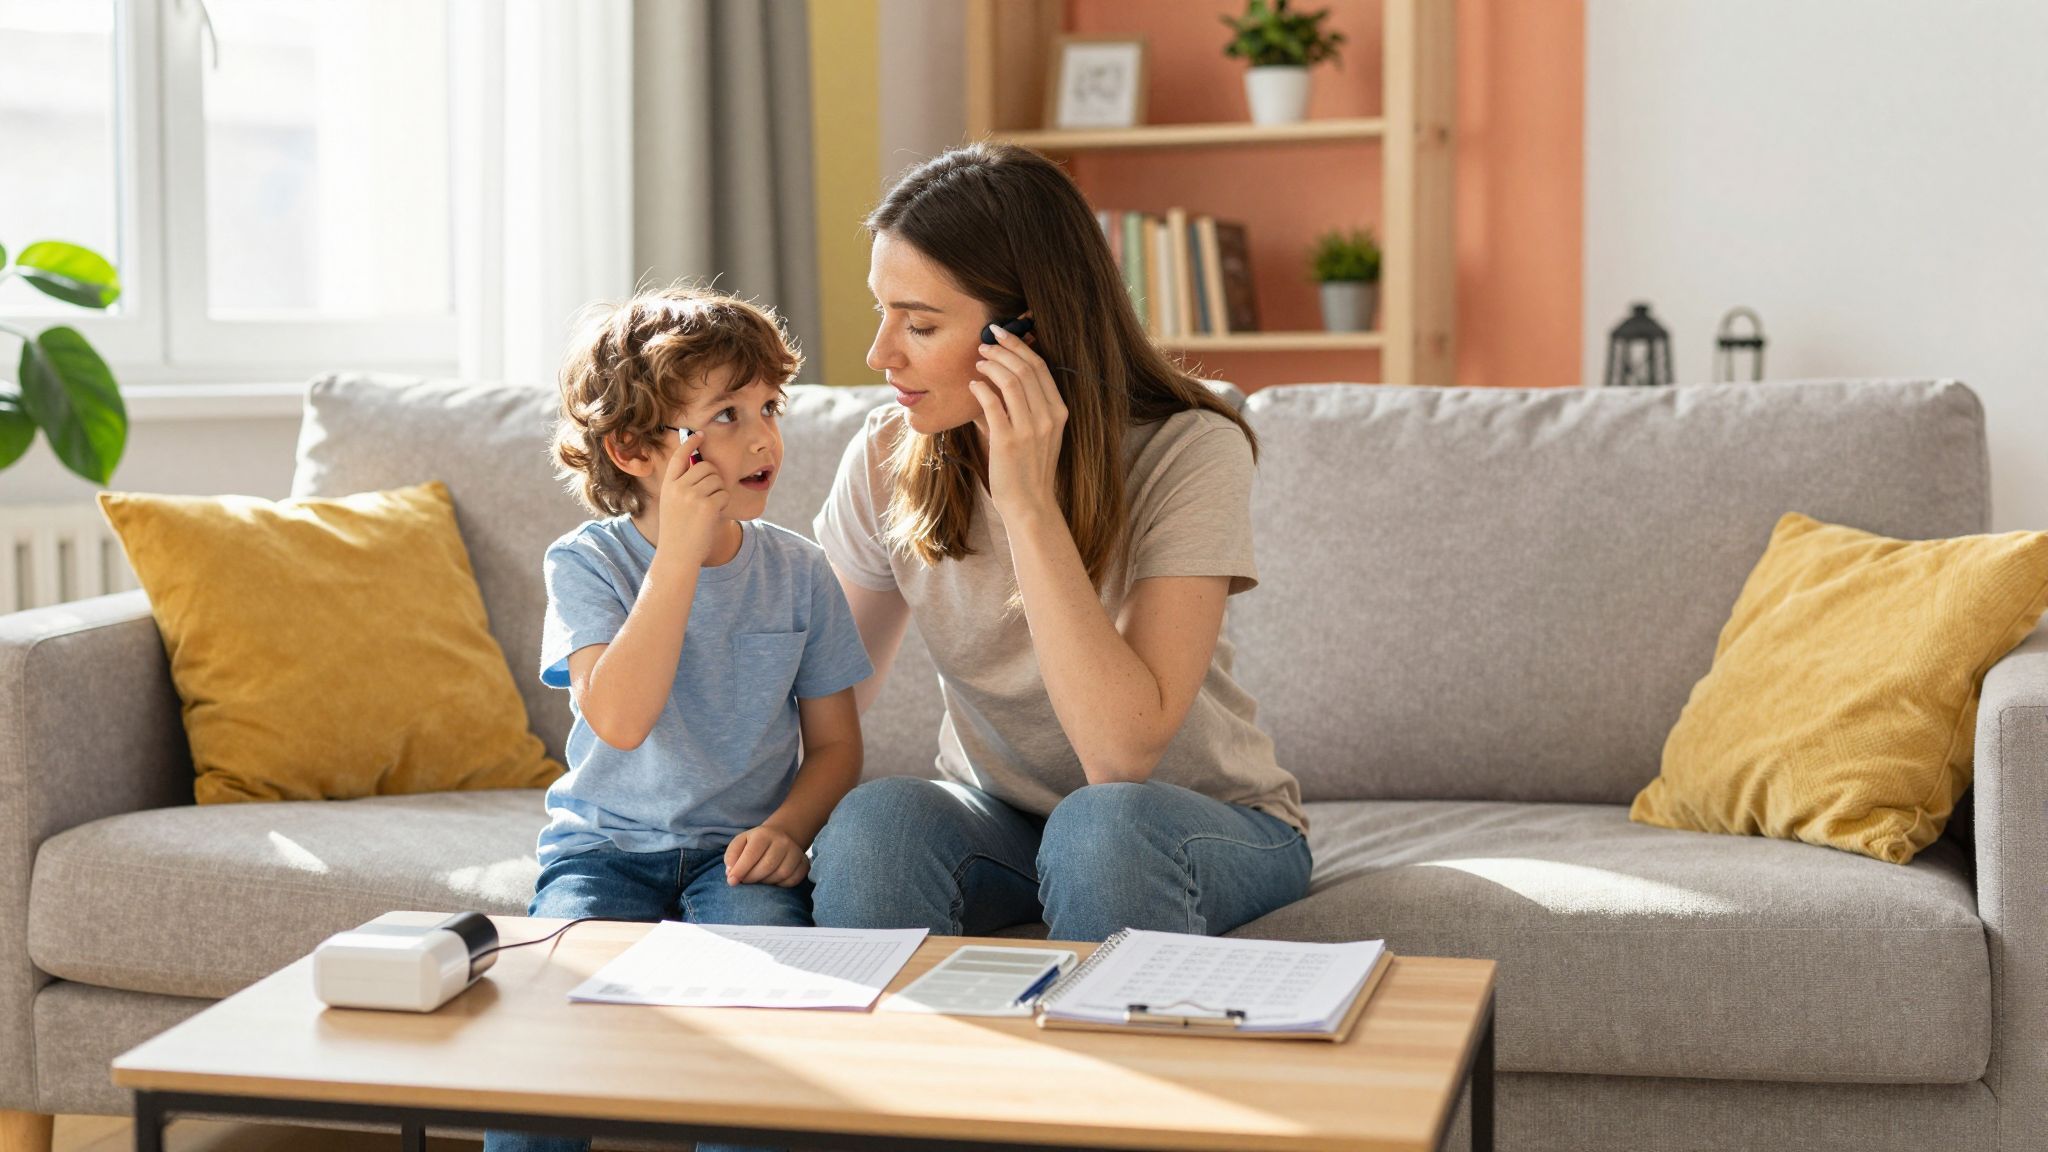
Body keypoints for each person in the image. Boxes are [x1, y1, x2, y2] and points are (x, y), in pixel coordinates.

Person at [810, 142, 1311, 944]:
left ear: (1027, 336)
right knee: (877, 827)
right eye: (883, 311)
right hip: (1002, 821)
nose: (881, 355)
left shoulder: (1189, 449)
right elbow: (821, 700)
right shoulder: (886, 454)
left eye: (921, 324)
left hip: (1193, 824)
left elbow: (1119, 756)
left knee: (1100, 831)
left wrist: (1028, 505)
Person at [485, 285, 873, 1152]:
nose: (763, 437)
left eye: (769, 407)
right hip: (604, 850)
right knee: (545, 1025)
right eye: (727, 415)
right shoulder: (587, 563)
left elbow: (837, 746)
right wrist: (681, 560)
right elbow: (620, 721)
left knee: (766, 1030)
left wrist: (788, 830)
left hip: (738, 857)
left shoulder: (800, 571)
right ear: (632, 449)